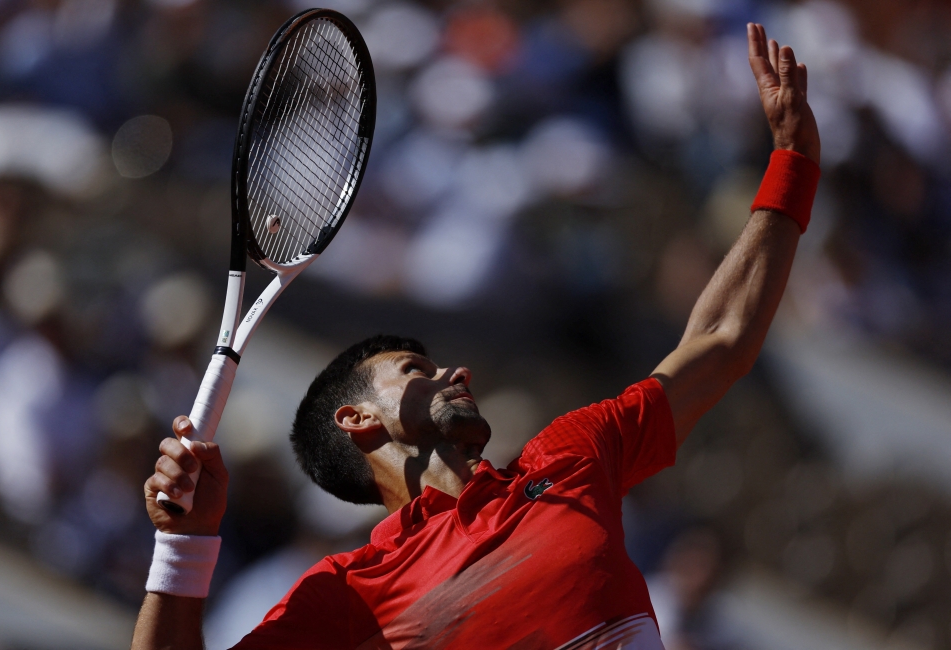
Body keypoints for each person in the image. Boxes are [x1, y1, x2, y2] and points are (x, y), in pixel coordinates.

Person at [131, 24, 821, 650]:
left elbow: (721, 340)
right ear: (358, 420)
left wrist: (791, 163)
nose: (454, 372)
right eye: (415, 368)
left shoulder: (571, 458)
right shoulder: (346, 600)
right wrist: (183, 545)